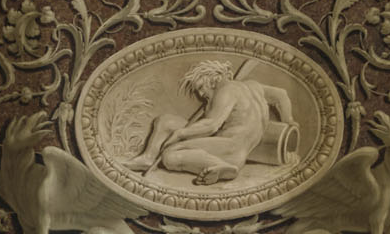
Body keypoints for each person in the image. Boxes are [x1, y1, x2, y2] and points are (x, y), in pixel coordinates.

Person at [126, 59, 297, 186]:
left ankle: (221, 166)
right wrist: (288, 119)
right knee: (166, 121)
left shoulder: (226, 90)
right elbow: (281, 95)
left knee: (170, 156)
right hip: (223, 142)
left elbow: (211, 125)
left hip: (230, 149)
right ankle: (147, 158)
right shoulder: (253, 86)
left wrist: (180, 134)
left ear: (213, 80)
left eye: (201, 87)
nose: (201, 94)